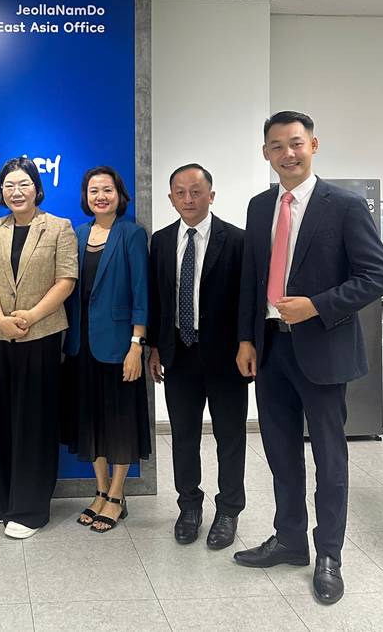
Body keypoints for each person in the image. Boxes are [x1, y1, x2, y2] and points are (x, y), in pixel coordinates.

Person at [234, 111, 383, 604]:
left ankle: (329, 556)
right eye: (277, 146)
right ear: (266, 153)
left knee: (329, 459)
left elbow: (377, 276)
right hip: (271, 349)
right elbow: (252, 278)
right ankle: (289, 540)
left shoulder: (344, 205)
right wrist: (246, 339)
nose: (288, 153)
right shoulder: (260, 207)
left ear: (314, 145)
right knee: (281, 453)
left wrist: (316, 306)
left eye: (296, 143)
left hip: (323, 347)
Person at [148, 164, 248, 549]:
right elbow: (158, 299)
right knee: (184, 436)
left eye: (195, 191)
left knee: (230, 437)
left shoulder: (236, 240)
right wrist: (155, 346)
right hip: (179, 354)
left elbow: (247, 301)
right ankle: (189, 506)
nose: (188, 199)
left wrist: (247, 343)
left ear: (211, 195)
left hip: (226, 357)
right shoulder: (161, 241)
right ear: (171, 198)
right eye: (180, 192)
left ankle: (229, 509)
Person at [0, 156, 78, 539]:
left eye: (23, 184)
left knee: (35, 422)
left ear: (37, 188)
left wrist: (32, 315)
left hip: (42, 335)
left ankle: (31, 510)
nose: (16, 191)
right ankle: (1, 501)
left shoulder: (59, 227)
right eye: (8, 185)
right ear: (0, 191)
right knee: (1, 420)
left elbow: (66, 279)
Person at [61, 166, 151, 533]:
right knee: (91, 420)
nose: (100, 196)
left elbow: (141, 293)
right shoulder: (78, 234)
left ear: (119, 195)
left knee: (119, 421)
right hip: (81, 344)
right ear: (86, 197)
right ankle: (100, 490)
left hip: (119, 345)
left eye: (107, 190)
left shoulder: (132, 234)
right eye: (94, 190)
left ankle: (117, 495)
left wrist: (137, 345)